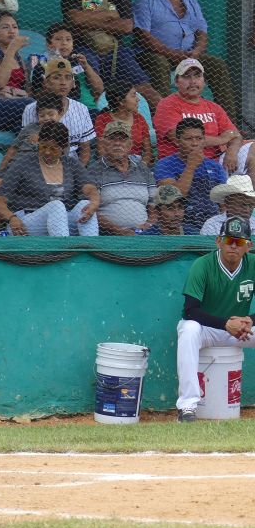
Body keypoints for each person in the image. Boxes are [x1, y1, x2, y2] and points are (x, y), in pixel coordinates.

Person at [174, 216, 255, 422]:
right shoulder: (203, 265)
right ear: (218, 242)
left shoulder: (253, 264)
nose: (234, 246)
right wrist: (225, 324)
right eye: (228, 240)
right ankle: (187, 407)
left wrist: (251, 320)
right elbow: (190, 310)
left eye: (240, 242)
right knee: (188, 329)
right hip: (207, 330)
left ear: (249, 246)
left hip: (240, 331)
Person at [134, 0, 234, 124]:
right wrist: (171, 53)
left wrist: (197, 51)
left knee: (217, 65)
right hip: (154, 53)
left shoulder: (190, 0)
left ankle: (229, 125)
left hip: (188, 54)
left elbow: (202, 31)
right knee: (159, 64)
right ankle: (167, 123)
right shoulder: (146, 0)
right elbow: (143, 35)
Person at [0, 121, 101, 236]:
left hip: (61, 222)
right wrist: (12, 218)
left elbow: (90, 188)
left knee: (84, 204)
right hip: (26, 223)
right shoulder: (24, 163)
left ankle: (92, 249)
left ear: (63, 147)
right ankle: (62, 250)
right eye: (43, 146)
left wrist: (94, 203)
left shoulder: (71, 164)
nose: (47, 152)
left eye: (54, 149)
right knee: (56, 205)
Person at [61, 0, 163, 111]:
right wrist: (111, 16)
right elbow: (77, 19)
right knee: (94, 87)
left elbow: (127, 27)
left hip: (116, 51)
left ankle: (168, 124)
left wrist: (87, 25)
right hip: (83, 49)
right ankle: (99, 120)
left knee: (149, 93)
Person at [152, 59, 251, 178]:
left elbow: (236, 135)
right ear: (176, 81)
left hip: (214, 164)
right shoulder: (167, 105)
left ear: (204, 81)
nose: (193, 81)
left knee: (253, 150)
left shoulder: (214, 107)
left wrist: (232, 151)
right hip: (179, 165)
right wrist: (221, 140)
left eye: (197, 76)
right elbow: (179, 138)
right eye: (186, 76)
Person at [154, 117, 228, 228]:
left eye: (199, 138)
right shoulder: (165, 164)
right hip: (180, 226)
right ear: (178, 141)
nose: (194, 143)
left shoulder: (215, 166)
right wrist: (191, 166)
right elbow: (173, 198)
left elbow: (224, 204)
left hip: (213, 226)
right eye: (188, 139)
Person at [89, 120, 158, 236]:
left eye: (122, 139)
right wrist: (120, 231)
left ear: (130, 144)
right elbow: (90, 210)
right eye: (112, 139)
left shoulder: (143, 171)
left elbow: (155, 208)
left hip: (144, 234)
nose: (117, 143)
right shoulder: (94, 171)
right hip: (108, 235)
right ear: (104, 144)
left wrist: (148, 226)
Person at [20, 58, 94, 166]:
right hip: (39, 166)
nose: (63, 83)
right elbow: (26, 147)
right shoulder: (31, 109)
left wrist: (77, 173)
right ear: (46, 82)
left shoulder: (81, 109)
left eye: (68, 78)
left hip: (70, 167)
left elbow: (85, 150)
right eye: (57, 77)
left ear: (72, 82)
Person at [30, 23, 102, 116]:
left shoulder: (79, 63)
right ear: (48, 45)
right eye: (58, 39)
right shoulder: (42, 66)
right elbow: (37, 96)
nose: (64, 43)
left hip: (89, 109)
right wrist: (51, 82)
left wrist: (86, 66)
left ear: (72, 44)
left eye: (68, 39)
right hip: (59, 112)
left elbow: (99, 89)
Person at [0, 93, 64, 186]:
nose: (46, 118)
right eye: (42, 115)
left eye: (51, 114)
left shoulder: (62, 133)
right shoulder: (30, 128)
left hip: (37, 172)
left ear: (61, 114)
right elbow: (13, 149)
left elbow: (61, 160)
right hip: (15, 166)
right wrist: (1, 171)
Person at [93, 77, 154, 165]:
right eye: (133, 96)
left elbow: (148, 151)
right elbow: (101, 151)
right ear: (120, 101)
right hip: (111, 163)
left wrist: (140, 167)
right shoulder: (102, 119)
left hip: (137, 163)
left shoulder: (139, 118)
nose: (138, 99)